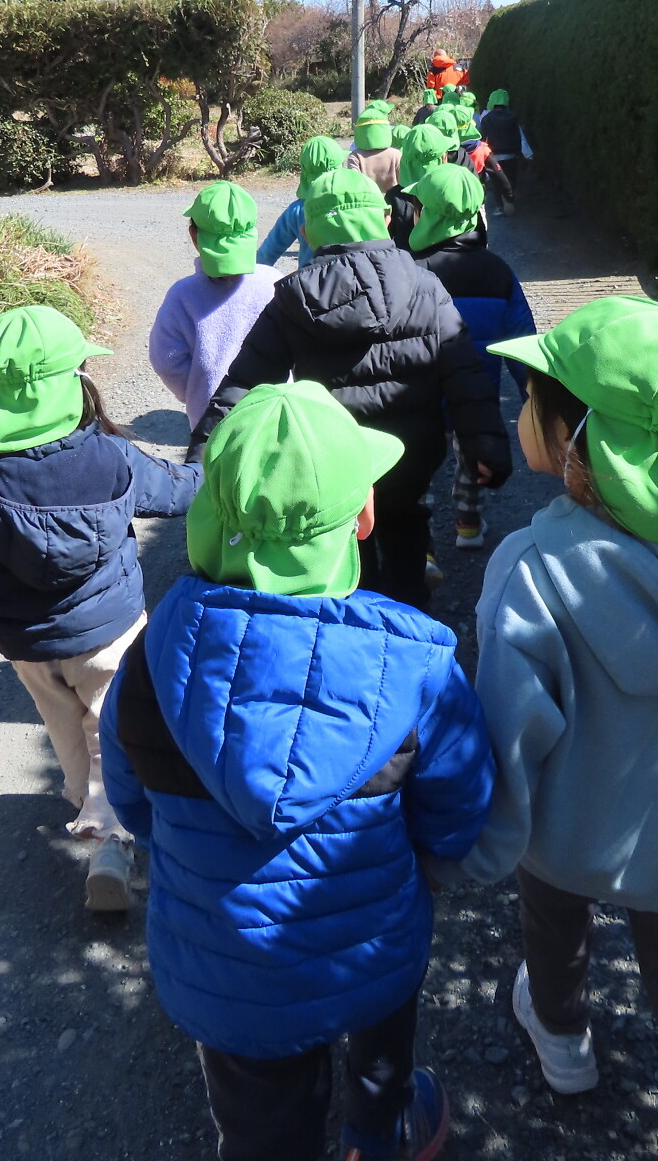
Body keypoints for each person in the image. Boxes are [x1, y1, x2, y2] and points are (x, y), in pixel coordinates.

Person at [101, 381, 494, 1161]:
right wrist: (429, 860)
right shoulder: (414, 661)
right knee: (382, 1050)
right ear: (363, 518)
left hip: (225, 968)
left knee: (261, 1128)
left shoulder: (155, 654)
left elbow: (131, 798)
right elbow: (458, 803)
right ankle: (380, 1133)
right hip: (371, 939)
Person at [460, 296, 658, 1161]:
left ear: (578, 439)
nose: (520, 406)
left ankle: (563, 1041)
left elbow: (507, 740)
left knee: (553, 934)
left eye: (532, 395)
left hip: (566, 835)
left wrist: (472, 852)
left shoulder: (531, 568)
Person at [0, 304, 201, 911]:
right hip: (110, 634)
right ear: (70, 386)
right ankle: (110, 840)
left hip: (30, 650)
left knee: (66, 733)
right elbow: (179, 493)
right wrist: (212, 466)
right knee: (112, 731)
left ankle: (84, 801)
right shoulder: (112, 457)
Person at [189, 167, 511, 610]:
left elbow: (244, 383)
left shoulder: (293, 298)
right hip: (411, 452)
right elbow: (464, 371)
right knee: (407, 526)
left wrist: (200, 458)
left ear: (306, 232)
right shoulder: (425, 285)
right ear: (385, 219)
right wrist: (485, 444)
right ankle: (410, 613)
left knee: (344, 539)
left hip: (331, 461)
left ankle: (355, 609)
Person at [407, 166, 535, 551]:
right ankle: (467, 524)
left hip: (420, 395)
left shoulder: (409, 272)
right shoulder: (498, 271)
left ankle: (421, 543)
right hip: (478, 393)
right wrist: (533, 396)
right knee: (471, 459)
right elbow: (522, 341)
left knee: (419, 464)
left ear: (427, 215)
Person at [148, 181, 279, 430]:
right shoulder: (275, 282)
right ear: (252, 233)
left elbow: (165, 361)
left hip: (211, 422)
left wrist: (196, 391)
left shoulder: (181, 295)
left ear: (194, 236)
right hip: (274, 416)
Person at [256, 135, 344, 272]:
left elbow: (268, 252)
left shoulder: (297, 210)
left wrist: (250, 278)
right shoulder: (354, 203)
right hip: (351, 278)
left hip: (310, 280)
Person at [385, 121, 458, 251]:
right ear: (443, 158)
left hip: (407, 260)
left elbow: (388, 236)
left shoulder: (394, 196)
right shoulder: (451, 190)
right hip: (447, 258)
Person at [447, 104, 514, 215]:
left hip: (452, 198)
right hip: (476, 197)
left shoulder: (444, 151)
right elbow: (498, 173)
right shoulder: (482, 149)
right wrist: (508, 194)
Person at [478, 88, 532, 198]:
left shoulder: (486, 119)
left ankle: (499, 204)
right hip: (511, 156)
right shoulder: (513, 117)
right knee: (511, 183)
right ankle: (509, 200)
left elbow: (483, 140)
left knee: (496, 184)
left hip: (493, 157)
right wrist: (523, 155)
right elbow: (519, 137)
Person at [344, 108, 402, 193]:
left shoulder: (355, 156)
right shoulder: (396, 154)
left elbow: (355, 182)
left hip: (367, 199)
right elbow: (402, 182)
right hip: (393, 199)